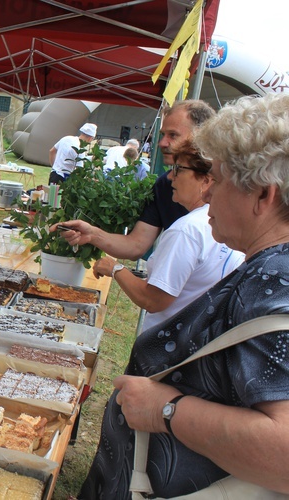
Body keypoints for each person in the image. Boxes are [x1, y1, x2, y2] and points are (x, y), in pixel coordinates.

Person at [79, 93, 289, 498]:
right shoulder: (265, 267)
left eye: (221, 178)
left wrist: (166, 410)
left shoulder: (275, 282)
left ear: (265, 195)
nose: (208, 193)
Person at [92, 142, 243, 331]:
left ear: (206, 180)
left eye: (178, 169)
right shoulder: (219, 223)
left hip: (167, 347)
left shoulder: (187, 231)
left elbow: (153, 299)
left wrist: (114, 267)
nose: (171, 177)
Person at [56, 100, 215, 259]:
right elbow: (136, 245)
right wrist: (92, 234)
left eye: (173, 135)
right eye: (162, 135)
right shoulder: (164, 186)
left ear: (202, 136)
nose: (162, 143)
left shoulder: (229, 186)